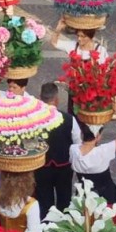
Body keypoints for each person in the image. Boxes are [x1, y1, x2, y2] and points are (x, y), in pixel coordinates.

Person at [71, 97, 116, 204]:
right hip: (106, 197)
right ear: (98, 136)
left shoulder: (73, 150)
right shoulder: (103, 152)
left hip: (83, 196)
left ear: (82, 134)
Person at [35, 82, 80, 220]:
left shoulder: (33, 119)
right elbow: (77, 142)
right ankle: (63, 228)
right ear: (56, 99)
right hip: (64, 166)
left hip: (41, 165)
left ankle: (45, 227)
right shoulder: (69, 119)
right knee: (64, 198)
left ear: (40, 98)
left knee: (44, 200)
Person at [51, 18, 108, 114]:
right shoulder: (73, 46)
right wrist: (58, 29)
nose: (79, 39)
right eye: (78, 36)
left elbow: (105, 73)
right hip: (75, 91)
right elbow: (54, 43)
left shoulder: (100, 50)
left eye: (83, 36)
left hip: (91, 92)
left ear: (91, 37)